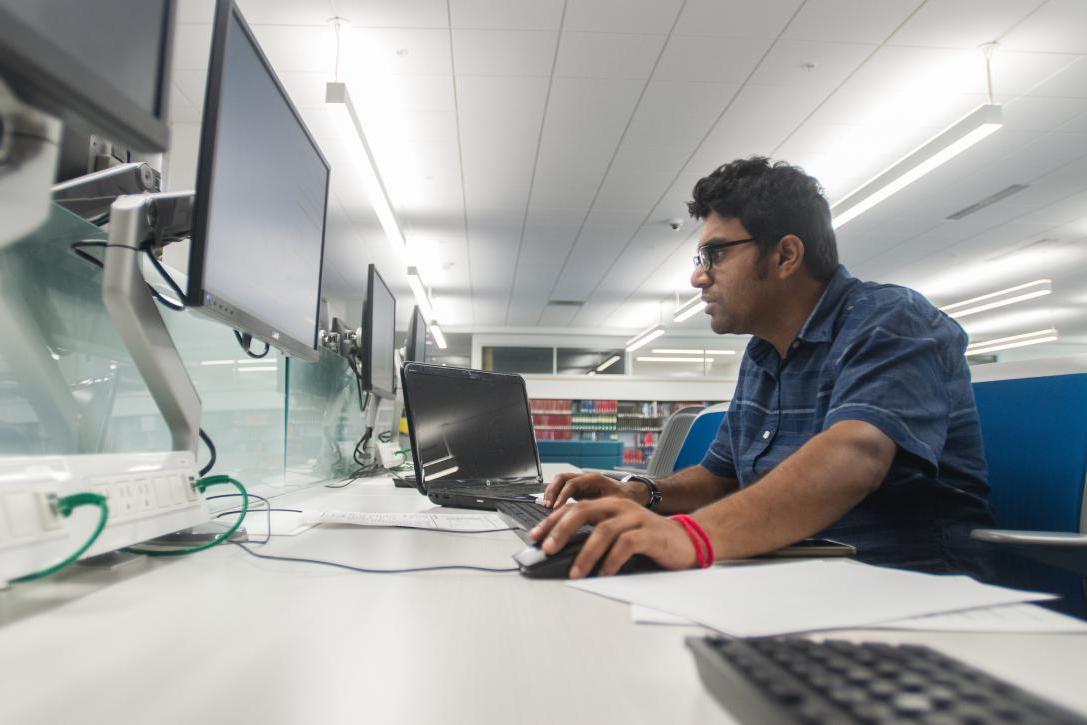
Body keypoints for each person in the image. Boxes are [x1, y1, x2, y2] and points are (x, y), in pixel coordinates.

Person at [531, 157, 995, 580]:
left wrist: (689, 535)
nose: (698, 276)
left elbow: (856, 457)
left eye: (716, 253)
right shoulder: (763, 353)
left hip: (903, 581)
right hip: (790, 573)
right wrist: (639, 491)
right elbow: (718, 478)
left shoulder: (890, 319)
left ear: (785, 255)